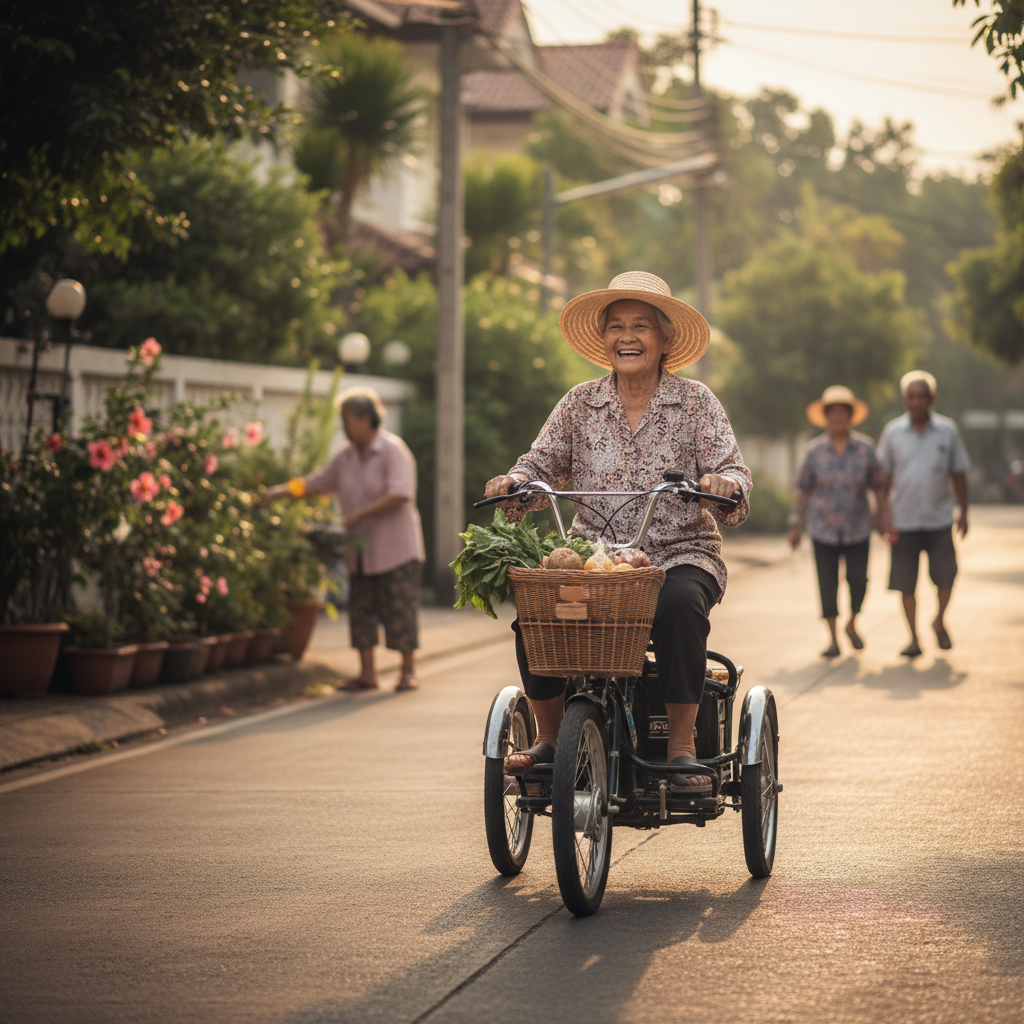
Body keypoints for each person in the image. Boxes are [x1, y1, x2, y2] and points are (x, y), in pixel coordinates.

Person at [484, 271, 751, 794]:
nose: (627, 337)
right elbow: (540, 464)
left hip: (680, 554)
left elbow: (735, 477)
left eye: (641, 326)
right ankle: (550, 737)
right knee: (540, 609)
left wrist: (722, 483)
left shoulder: (696, 402)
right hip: (595, 557)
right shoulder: (580, 403)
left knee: (678, 607)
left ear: (665, 339)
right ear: (603, 338)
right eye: (616, 327)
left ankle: (680, 749)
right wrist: (514, 483)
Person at [263, 386, 425, 691]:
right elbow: (316, 482)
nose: (344, 427)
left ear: (367, 419)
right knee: (361, 609)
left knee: (399, 609)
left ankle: (407, 671)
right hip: (360, 551)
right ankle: (367, 674)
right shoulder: (345, 457)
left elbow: (400, 494)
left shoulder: (394, 450)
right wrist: (277, 493)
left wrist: (359, 514)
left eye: (347, 420)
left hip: (397, 548)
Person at [788, 385, 890, 659]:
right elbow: (803, 489)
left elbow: (879, 484)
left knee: (859, 581)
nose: (837, 418)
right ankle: (833, 638)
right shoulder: (814, 451)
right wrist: (795, 523)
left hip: (858, 527)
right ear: (826, 418)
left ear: (849, 417)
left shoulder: (865, 449)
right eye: (832, 413)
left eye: (842, 413)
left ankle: (852, 621)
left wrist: (883, 516)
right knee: (827, 584)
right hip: (823, 529)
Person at [877, 370, 970, 657]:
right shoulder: (893, 432)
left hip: (939, 519)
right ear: (905, 399)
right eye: (911, 396)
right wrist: (882, 513)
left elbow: (959, 474)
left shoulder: (947, 431)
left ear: (932, 398)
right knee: (905, 582)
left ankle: (939, 620)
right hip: (903, 521)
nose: (917, 401)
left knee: (946, 576)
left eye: (922, 396)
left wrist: (964, 512)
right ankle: (914, 638)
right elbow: (883, 478)